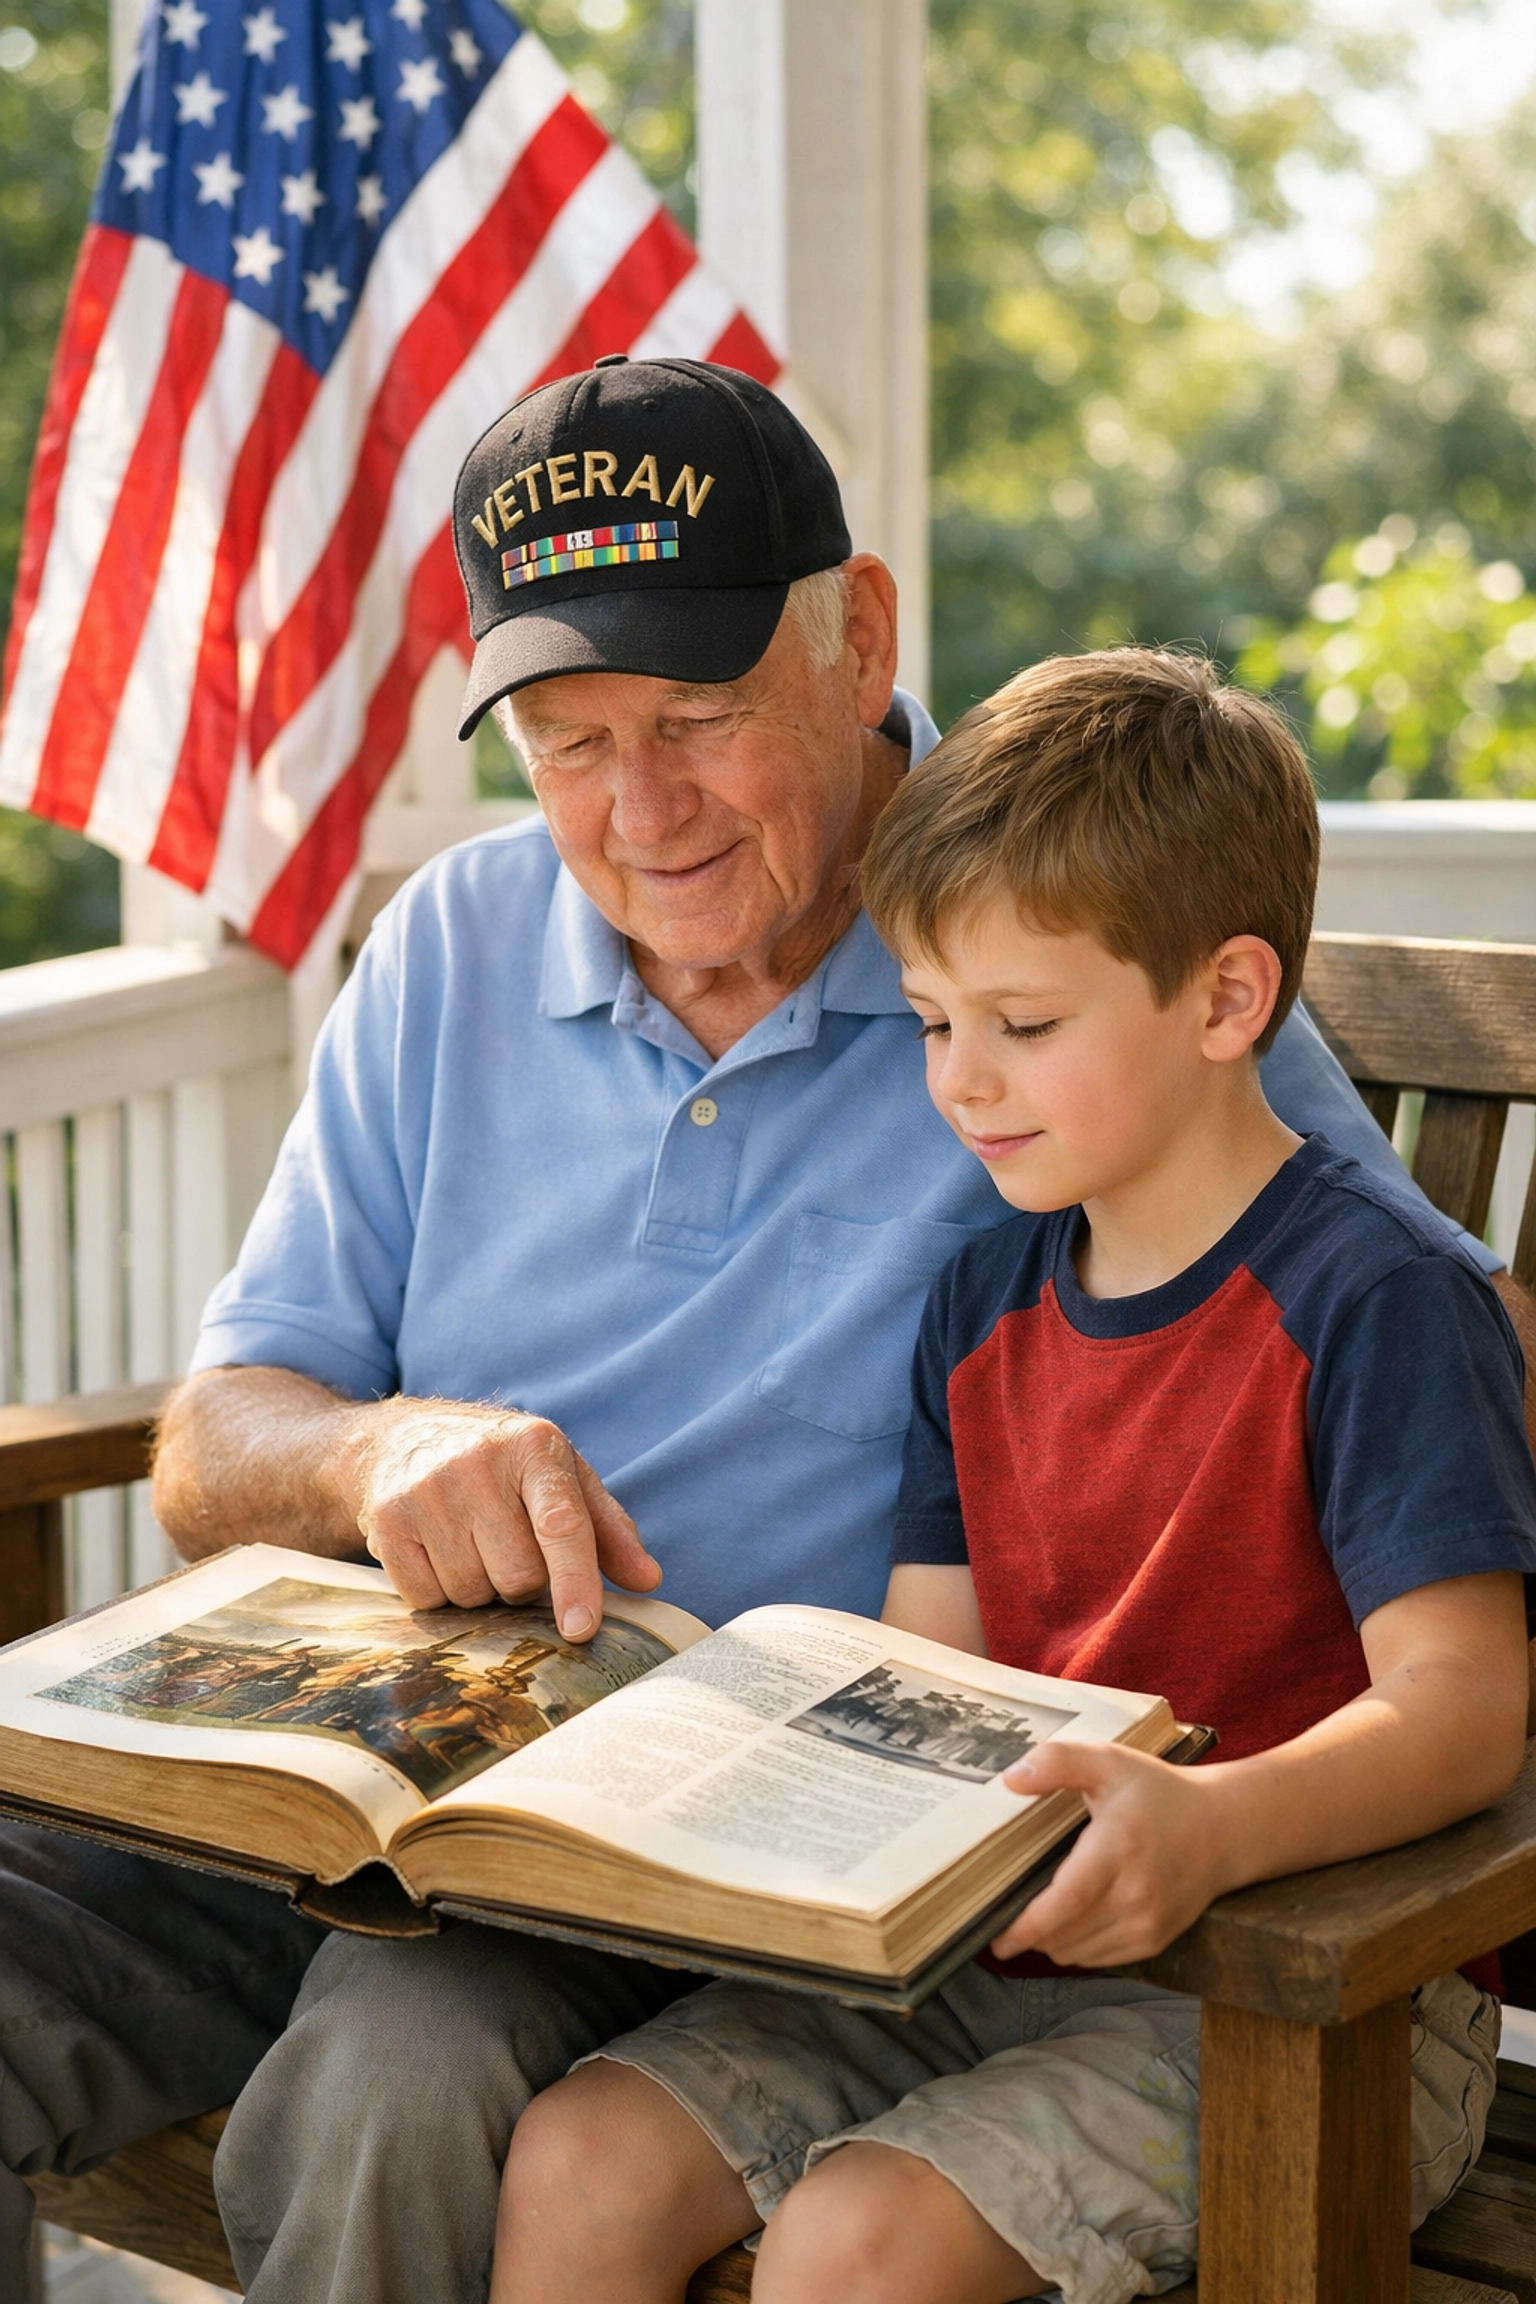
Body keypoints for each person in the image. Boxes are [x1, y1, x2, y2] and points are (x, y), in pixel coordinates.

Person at [0, 361, 1508, 2304]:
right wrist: (380, 1453)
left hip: (751, 1868)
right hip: (375, 1775)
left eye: (700, 717)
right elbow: (216, 1444)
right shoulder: (454, 945)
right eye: (565, 740)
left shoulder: (1066, 939)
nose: (641, 809)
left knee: (397, 2079)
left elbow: (1376, 1304)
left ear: (859, 634)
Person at [489, 648, 1536, 2304]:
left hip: (1313, 2003)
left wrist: (1209, 1826)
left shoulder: (1377, 1302)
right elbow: (928, 1660)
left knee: (850, 2246)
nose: (958, 1080)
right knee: (581, 2161)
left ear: (1225, 1000)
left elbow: (1469, 1705)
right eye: (928, 1023)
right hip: (991, 1940)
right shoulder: (982, 1301)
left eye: (1023, 1025)